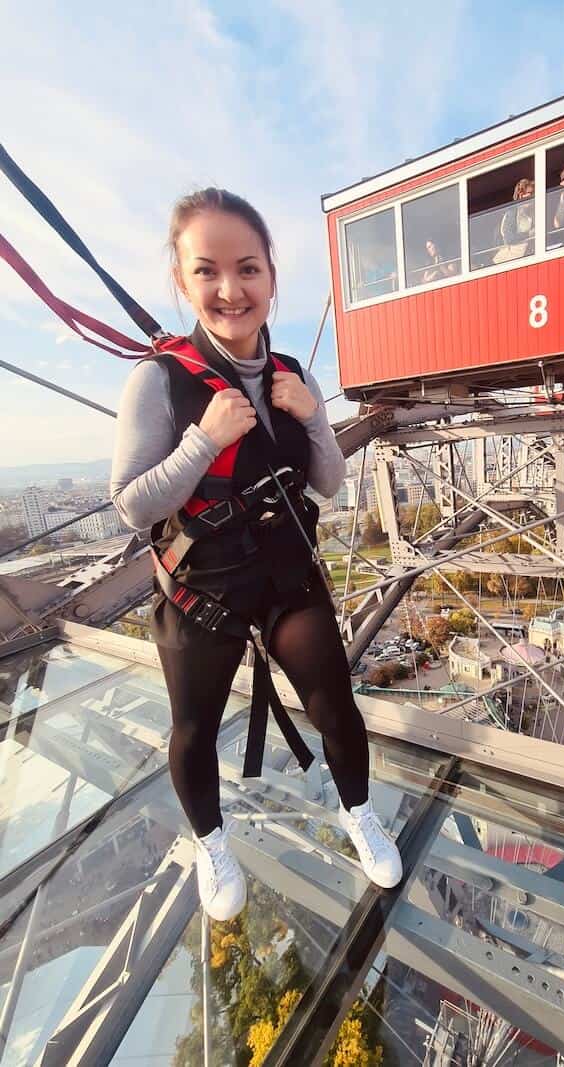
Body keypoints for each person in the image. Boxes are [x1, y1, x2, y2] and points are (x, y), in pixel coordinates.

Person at [111, 188, 402, 921]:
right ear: (183, 282)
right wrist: (203, 441)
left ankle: (357, 812)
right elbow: (133, 504)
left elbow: (329, 483)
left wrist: (314, 421)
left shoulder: (294, 379)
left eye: (247, 268)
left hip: (282, 572)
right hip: (202, 585)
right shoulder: (159, 382)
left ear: (272, 275)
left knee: (335, 701)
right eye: (207, 271)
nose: (230, 289)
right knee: (194, 730)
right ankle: (212, 841)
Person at [495, 178, 535, 263]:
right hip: (512, 259)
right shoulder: (512, 213)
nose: (533, 196)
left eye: (534, 193)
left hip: (527, 254)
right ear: (521, 195)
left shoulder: (533, 212)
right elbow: (509, 238)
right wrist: (528, 234)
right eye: (530, 193)